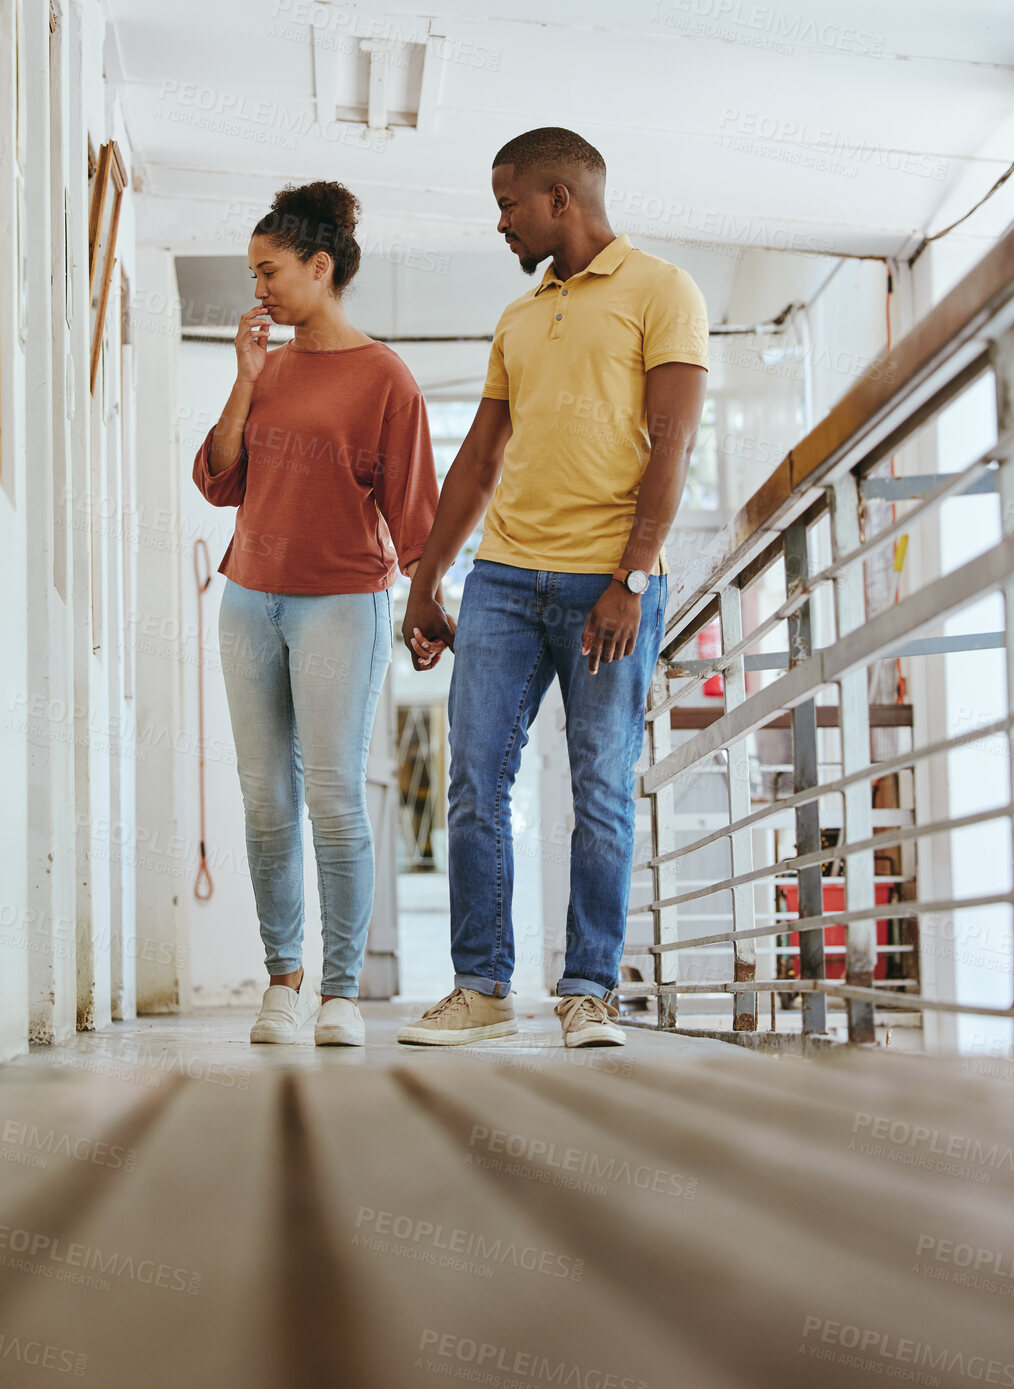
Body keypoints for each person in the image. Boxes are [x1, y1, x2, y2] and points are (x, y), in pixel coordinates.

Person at [398, 128, 709, 1050]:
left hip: (607, 583)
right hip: (502, 578)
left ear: (561, 199)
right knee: (471, 782)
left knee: (602, 787)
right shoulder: (519, 318)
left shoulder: (663, 291)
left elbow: (674, 443)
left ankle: (589, 989)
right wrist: (428, 577)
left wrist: (633, 575)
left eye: (509, 204)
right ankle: (481, 985)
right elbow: (480, 458)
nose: (500, 222)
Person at [192, 181, 443, 1047]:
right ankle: (282, 981)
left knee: (334, 796)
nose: (257, 287)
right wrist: (243, 380)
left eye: (270, 270)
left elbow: (416, 513)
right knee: (265, 799)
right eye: (252, 273)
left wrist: (425, 602)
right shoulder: (267, 367)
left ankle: (340, 992)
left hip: (343, 603)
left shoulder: (385, 378)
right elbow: (220, 478)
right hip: (250, 599)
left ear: (320, 266)